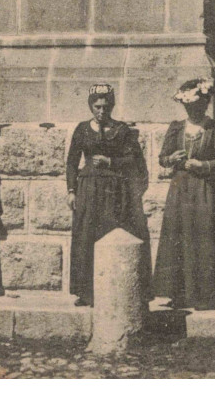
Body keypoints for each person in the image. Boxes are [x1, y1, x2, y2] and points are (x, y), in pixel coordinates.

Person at [66, 83, 152, 306]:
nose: (101, 111)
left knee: (110, 233)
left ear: (111, 106)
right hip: (87, 188)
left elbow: (134, 160)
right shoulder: (82, 129)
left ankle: (112, 289)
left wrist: (110, 161)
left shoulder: (122, 130)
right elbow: (72, 162)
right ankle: (86, 292)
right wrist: (71, 191)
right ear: (91, 107)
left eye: (105, 107)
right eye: (97, 107)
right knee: (85, 235)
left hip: (114, 190)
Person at [153, 77, 215, 310]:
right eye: (188, 106)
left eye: (197, 106)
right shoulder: (177, 127)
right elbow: (162, 158)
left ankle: (204, 293)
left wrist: (204, 166)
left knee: (202, 235)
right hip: (180, 188)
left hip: (204, 190)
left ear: (206, 103)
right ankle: (177, 292)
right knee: (178, 235)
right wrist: (171, 159)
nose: (192, 110)